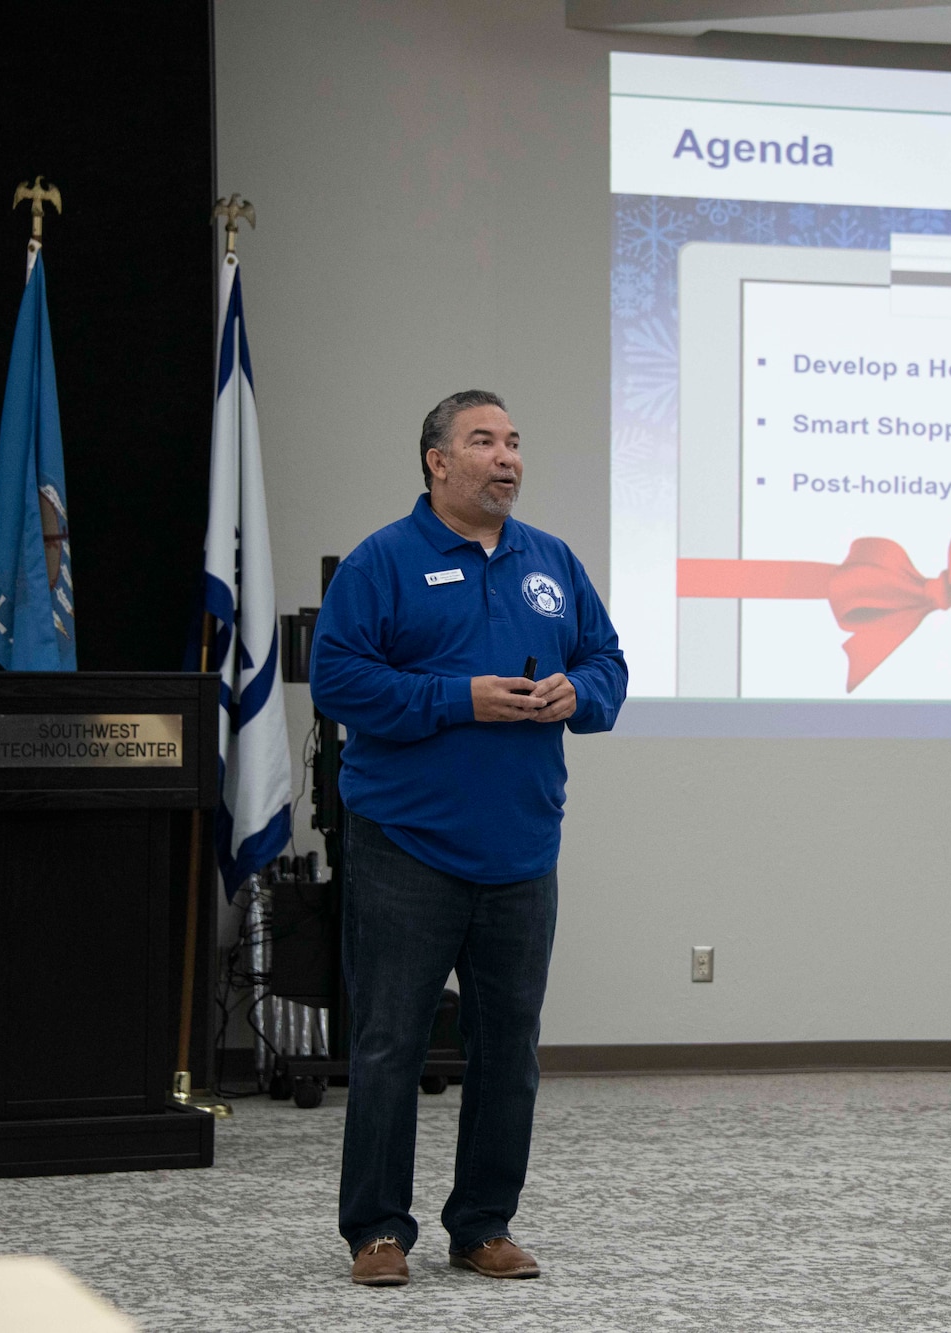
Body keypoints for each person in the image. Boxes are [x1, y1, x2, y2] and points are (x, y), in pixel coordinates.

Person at [309, 390, 627, 1287]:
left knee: (509, 1051)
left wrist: (581, 693)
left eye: (516, 442)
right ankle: (377, 1230)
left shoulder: (552, 562)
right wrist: (461, 697)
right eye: (484, 441)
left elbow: (608, 661)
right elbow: (337, 682)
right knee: (388, 1043)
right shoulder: (384, 561)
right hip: (405, 844)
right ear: (436, 462)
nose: (507, 457)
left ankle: (483, 1224)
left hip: (523, 849)